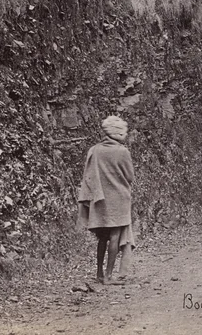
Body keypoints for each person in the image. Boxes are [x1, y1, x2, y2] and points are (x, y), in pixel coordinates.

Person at [77, 115, 135, 284]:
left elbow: (88, 175)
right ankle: (109, 276)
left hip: (99, 198)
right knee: (115, 235)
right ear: (118, 132)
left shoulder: (94, 150)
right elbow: (130, 176)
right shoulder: (122, 151)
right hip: (118, 198)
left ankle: (99, 274)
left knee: (102, 237)